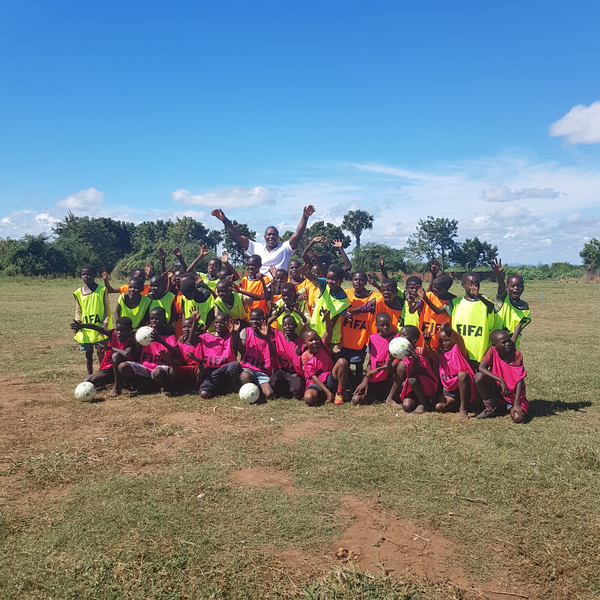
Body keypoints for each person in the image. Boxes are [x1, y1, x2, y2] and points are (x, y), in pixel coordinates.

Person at [211, 205, 315, 274]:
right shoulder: (256, 247)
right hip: (260, 287)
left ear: (278, 237)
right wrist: (225, 220)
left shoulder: (284, 249)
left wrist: (304, 217)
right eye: (269, 235)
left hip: (279, 288)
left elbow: (297, 235)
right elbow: (238, 237)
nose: (271, 237)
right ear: (264, 237)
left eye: (274, 235)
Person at [118, 307, 182, 390]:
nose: (154, 321)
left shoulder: (169, 335)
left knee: (157, 373)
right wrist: (137, 343)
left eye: (157, 319)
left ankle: (162, 384)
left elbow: (177, 353)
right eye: (152, 318)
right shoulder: (144, 332)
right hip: (145, 365)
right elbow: (136, 355)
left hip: (160, 366)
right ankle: (146, 382)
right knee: (122, 366)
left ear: (164, 319)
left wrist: (161, 341)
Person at [71, 317, 135, 397]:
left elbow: (126, 353)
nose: (119, 333)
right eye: (117, 329)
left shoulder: (131, 339)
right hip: (109, 369)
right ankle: (116, 381)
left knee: (116, 356)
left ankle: (117, 388)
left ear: (129, 330)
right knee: (87, 381)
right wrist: (82, 326)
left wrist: (110, 348)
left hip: (122, 369)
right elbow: (95, 327)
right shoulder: (112, 334)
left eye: (123, 330)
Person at [475, 329, 528, 423]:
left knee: (517, 418)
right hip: (499, 389)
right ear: (494, 345)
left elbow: (520, 380)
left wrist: (516, 404)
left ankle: (509, 406)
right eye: (504, 342)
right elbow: (481, 367)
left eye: (508, 340)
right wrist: (501, 380)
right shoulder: (492, 351)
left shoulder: (516, 354)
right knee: (479, 377)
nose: (508, 343)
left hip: (513, 394)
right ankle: (490, 407)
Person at [185, 312, 243, 399]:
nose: (218, 325)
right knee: (204, 394)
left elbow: (236, 350)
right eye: (216, 322)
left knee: (235, 365)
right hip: (212, 371)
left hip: (226, 368)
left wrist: (234, 333)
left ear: (228, 323)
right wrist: (195, 322)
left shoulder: (231, 336)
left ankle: (232, 386)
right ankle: (219, 387)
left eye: (222, 322)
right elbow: (191, 340)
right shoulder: (207, 336)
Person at [427, 324, 477, 420]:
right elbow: (428, 351)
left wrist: (451, 330)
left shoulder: (459, 350)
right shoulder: (441, 356)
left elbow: (460, 339)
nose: (443, 344)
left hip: (467, 385)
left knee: (462, 375)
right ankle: (457, 403)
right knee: (439, 407)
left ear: (453, 340)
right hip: (452, 391)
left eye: (446, 340)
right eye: (441, 341)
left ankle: (463, 408)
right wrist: (427, 341)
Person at [352, 313, 401, 406]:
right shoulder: (373, 338)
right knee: (356, 399)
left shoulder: (396, 338)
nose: (385, 327)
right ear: (376, 326)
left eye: (388, 325)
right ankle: (376, 394)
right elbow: (371, 361)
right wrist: (366, 379)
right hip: (375, 378)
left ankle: (389, 396)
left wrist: (377, 369)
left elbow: (396, 363)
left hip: (389, 377)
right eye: (382, 325)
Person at [302, 311, 350, 406]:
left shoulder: (323, 346)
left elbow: (329, 331)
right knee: (309, 398)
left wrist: (327, 319)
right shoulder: (305, 356)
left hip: (329, 379)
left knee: (342, 362)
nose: (315, 342)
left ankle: (339, 393)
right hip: (316, 382)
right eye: (311, 340)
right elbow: (312, 376)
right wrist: (327, 392)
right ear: (305, 343)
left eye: (316, 339)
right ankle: (326, 394)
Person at [388, 325, 439, 413]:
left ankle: (423, 403)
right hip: (412, 386)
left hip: (425, 384)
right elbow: (393, 374)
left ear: (414, 339)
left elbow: (415, 373)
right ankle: (391, 398)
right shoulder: (402, 353)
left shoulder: (419, 351)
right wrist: (389, 362)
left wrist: (416, 360)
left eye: (403, 335)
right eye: (400, 335)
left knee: (412, 378)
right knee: (407, 406)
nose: (401, 338)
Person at [341, 271, 381, 382]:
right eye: (355, 279)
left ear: (366, 282)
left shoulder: (373, 296)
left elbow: (385, 297)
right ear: (351, 281)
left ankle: (358, 382)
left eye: (361, 280)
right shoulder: (346, 294)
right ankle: (350, 383)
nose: (358, 282)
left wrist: (376, 285)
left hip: (361, 336)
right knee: (345, 363)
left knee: (359, 363)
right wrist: (344, 312)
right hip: (346, 335)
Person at [73, 264, 112, 375]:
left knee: (101, 352)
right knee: (88, 353)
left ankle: (102, 375)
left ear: (95, 275)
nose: (86, 276)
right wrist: (78, 323)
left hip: (100, 328)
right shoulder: (78, 293)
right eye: (83, 274)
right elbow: (78, 310)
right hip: (86, 328)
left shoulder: (102, 290)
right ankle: (90, 376)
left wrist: (104, 324)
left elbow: (107, 309)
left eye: (89, 274)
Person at [305, 258, 351, 349]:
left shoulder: (344, 301)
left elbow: (332, 323)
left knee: (331, 360)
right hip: (315, 331)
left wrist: (323, 341)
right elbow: (314, 279)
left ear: (340, 280)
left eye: (333, 279)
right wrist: (305, 273)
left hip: (331, 337)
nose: (329, 281)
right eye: (328, 278)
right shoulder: (324, 284)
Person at [239, 308, 277, 401]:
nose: (254, 322)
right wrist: (235, 334)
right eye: (252, 319)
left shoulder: (270, 333)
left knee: (269, 394)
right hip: (248, 368)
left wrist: (266, 337)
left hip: (262, 371)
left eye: (257, 319)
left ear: (263, 320)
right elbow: (242, 351)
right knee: (245, 377)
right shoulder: (246, 331)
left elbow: (273, 353)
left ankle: (257, 387)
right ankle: (251, 388)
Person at [492, 259, 530, 349]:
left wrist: (511, 344)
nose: (516, 288)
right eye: (512, 286)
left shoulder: (524, 306)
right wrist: (498, 275)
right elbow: (501, 285)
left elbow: (519, 326)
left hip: (511, 345)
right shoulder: (503, 298)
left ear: (523, 288)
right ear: (507, 288)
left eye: (519, 286)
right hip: (495, 343)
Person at [417, 265, 455, 350]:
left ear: (446, 289)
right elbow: (414, 309)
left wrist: (425, 298)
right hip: (425, 338)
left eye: (437, 288)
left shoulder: (453, 301)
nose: (433, 289)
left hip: (442, 342)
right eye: (433, 286)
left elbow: (438, 311)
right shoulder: (429, 295)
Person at [269, 314, 305, 399]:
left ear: (296, 326)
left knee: (296, 390)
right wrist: (277, 314)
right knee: (272, 382)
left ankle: (289, 386)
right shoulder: (278, 335)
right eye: (285, 325)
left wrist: (301, 354)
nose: (287, 327)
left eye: (290, 324)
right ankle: (285, 386)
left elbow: (305, 362)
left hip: (294, 373)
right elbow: (267, 325)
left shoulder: (301, 342)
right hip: (281, 370)